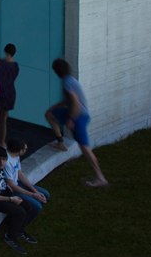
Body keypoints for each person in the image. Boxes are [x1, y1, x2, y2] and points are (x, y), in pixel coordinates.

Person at [46, 58, 108, 187]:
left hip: (79, 116)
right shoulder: (69, 80)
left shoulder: (67, 83)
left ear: (57, 71)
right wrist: (55, 107)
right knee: (49, 114)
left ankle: (100, 178)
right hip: (73, 113)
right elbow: (68, 100)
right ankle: (60, 142)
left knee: (85, 148)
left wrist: (71, 119)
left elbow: (75, 103)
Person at [1, 138, 49, 214]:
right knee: (37, 207)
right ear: (19, 151)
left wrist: (35, 190)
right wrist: (33, 194)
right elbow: (12, 186)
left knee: (45, 193)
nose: (26, 150)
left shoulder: (16, 156)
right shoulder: (6, 162)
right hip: (11, 190)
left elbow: (20, 174)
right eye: (25, 149)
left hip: (16, 183)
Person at [0, 43, 19, 143]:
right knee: (4, 119)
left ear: (5, 51)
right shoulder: (15, 66)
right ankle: (2, 141)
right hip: (10, 92)